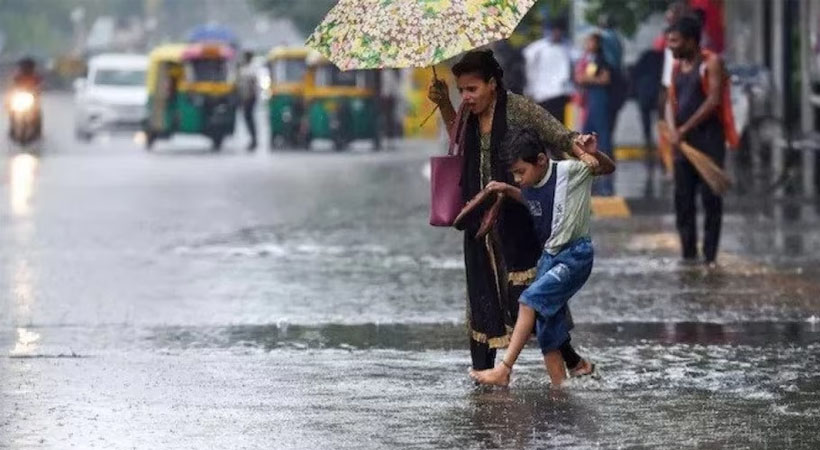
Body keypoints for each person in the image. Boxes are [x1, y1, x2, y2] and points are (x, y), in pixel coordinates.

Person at [427, 50, 598, 376]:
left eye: (472, 89)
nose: (466, 96)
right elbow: (459, 142)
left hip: (518, 217)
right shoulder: (466, 112)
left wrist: (582, 146)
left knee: (531, 295)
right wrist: (445, 104)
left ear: (493, 84)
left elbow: (557, 134)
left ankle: (572, 361)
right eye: (461, 89)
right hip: (478, 217)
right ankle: (484, 373)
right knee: (481, 296)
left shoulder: (519, 109)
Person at [470, 129, 615, 386]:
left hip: (574, 256)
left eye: (520, 172)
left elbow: (606, 168)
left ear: (540, 160)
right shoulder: (530, 183)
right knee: (547, 327)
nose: (518, 179)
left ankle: (504, 369)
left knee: (528, 301)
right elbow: (528, 200)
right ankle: (560, 388)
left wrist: (594, 154)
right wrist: (505, 188)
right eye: (514, 174)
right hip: (549, 258)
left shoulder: (569, 172)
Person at [665, 16, 727, 266]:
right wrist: (672, 129)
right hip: (682, 146)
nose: (671, 47)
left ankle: (710, 257)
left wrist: (685, 128)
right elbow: (671, 100)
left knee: (711, 199)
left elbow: (713, 100)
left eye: (675, 42)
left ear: (691, 41)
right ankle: (688, 255)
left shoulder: (711, 63)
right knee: (683, 199)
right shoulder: (677, 67)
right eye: (669, 42)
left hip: (708, 141)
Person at [576, 33, 615, 196]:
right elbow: (580, 78)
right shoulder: (589, 59)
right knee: (588, 133)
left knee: (601, 135)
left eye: (590, 41)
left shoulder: (601, 60)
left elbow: (604, 79)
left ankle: (605, 171)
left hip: (599, 100)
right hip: (591, 101)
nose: (587, 44)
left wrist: (587, 79)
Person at [522, 18, 573, 125]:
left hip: (561, 93)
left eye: (559, 30)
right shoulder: (536, 48)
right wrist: (529, 90)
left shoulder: (568, 47)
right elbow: (529, 69)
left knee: (560, 127)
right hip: (542, 94)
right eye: (554, 30)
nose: (557, 33)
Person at [238, 50, 259, 151]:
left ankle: (254, 140)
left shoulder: (252, 68)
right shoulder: (245, 68)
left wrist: (249, 97)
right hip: (245, 97)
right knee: (247, 119)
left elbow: (252, 85)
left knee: (250, 119)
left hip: (250, 98)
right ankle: (253, 139)